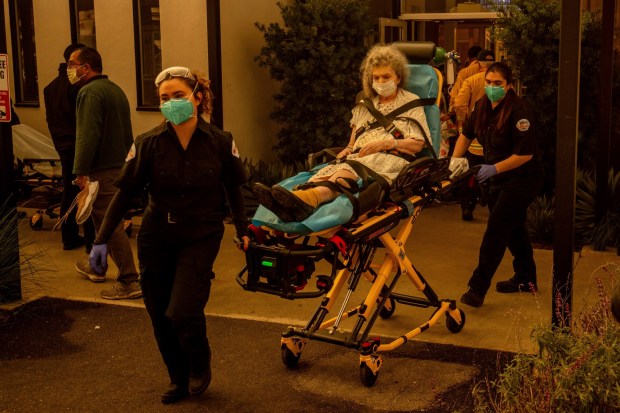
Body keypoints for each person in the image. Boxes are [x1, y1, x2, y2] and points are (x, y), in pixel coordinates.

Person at [88, 66, 250, 404]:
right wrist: (101, 238)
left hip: (201, 234)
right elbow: (124, 192)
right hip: (157, 235)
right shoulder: (147, 143)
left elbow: (234, 188)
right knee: (159, 312)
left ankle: (198, 364)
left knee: (182, 310)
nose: (170, 103)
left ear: (198, 97)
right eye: (164, 98)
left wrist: (244, 231)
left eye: (178, 96)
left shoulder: (221, 141)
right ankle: (177, 377)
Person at [253, 44, 430, 222]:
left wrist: (387, 143)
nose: (381, 82)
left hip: (391, 157)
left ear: (398, 77)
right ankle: (293, 200)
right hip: (360, 156)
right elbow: (354, 140)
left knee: (346, 171)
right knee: (328, 170)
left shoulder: (411, 103)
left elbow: (418, 144)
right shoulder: (365, 105)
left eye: (386, 76)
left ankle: (308, 199)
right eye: (376, 77)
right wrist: (348, 148)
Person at [451, 62, 543, 308]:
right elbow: (466, 134)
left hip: (522, 178)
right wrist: (454, 163)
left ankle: (477, 288)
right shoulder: (482, 105)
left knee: (496, 230)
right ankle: (526, 277)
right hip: (496, 178)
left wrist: (493, 168)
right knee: (513, 229)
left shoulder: (520, 111)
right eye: (489, 82)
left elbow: (525, 154)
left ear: (509, 85)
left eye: (498, 84)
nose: (492, 87)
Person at [69, 46, 141, 300]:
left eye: (72, 64)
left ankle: (130, 279)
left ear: (86, 67)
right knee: (104, 221)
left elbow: (87, 136)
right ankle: (97, 265)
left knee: (109, 224)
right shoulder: (115, 90)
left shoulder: (89, 93)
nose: (70, 69)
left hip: (103, 170)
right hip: (121, 165)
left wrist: (80, 171)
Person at [43, 43, 96, 251]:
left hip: (62, 145)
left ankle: (69, 236)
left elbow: (51, 119)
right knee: (87, 190)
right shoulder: (78, 87)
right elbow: (83, 120)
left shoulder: (50, 87)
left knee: (69, 190)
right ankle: (90, 241)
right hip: (78, 144)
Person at [452, 49, 496, 221]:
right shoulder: (501, 83)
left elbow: (460, 103)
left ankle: (467, 207)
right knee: (494, 173)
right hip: (495, 138)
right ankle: (494, 207)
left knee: (469, 173)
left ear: (478, 63)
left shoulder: (470, 80)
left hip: (473, 138)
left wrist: (464, 123)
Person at [448, 45, 483, 112]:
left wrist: (450, 112)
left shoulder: (464, 72)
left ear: (469, 58)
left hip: (470, 114)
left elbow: (456, 96)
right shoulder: (490, 71)